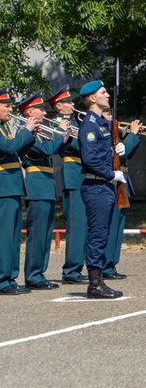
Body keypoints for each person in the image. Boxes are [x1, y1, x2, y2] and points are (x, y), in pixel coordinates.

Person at [78, 80, 126, 299]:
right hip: (96, 185)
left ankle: (98, 281)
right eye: (103, 93)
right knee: (97, 235)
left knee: (103, 233)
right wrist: (110, 174)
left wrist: (118, 149)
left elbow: (103, 153)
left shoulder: (102, 123)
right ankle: (95, 284)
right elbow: (89, 159)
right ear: (91, 98)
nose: (107, 95)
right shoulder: (89, 124)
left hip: (104, 186)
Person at [18, 91, 71, 289]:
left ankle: (39, 273)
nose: (43, 111)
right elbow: (46, 150)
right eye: (40, 108)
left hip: (47, 183)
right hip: (36, 184)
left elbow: (54, 148)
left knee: (46, 232)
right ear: (29, 111)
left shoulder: (40, 130)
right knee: (37, 233)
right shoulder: (24, 131)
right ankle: (33, 276)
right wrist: (59, 132)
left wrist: (63, 136)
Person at [48, 85, 89, 285]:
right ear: (58, 106)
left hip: (83, 173)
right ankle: (71, 270)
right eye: (68, 102)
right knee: (77, 225)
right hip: (73, 173)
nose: (73, 105)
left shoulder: (73, 122)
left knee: (85, 225)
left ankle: (78, 267)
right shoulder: (58, 124)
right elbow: (76, 145)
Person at [0, 86, 36, 295]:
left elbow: (17, 151)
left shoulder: (4, 127)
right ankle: (2, 280)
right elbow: (8, 148)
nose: (10, 109)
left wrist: (30, 136)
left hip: (12, 186)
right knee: (5, 236)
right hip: (4, 188)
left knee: (13, 237)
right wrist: (25, 131)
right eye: (5, 105)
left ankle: (10, 278)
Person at [103, 110, 141, 279]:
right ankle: (106, 265)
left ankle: (112, 263)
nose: (110, 117)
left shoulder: (113, 132)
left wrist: (130, 140)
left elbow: (126, 154)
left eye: (111, 114)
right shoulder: (101, 132)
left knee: (118, 227)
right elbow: (114, 154)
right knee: (111, 226)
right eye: (106, 114)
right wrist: (132, 135)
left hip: (123, 181)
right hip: (112, 181)